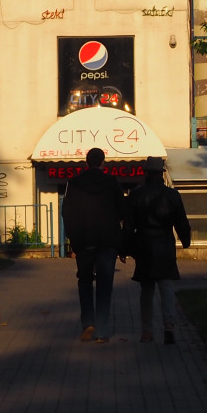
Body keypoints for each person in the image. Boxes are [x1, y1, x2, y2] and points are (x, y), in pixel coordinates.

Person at [122, 156, 191, 344]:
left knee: (146, 290)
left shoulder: (136, 194)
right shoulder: (172, 195)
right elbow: (182, 222)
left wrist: (124, 248)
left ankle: (147, 331)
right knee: (167, 286)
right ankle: (169, 325)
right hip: (165, 243)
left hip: (144, 243)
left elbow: (128, 225)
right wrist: (186, 241)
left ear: (146, 172)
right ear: (161, 173)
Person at [61, 147, 125, 343]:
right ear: (102, 162)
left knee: (85, 281)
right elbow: (122, 211)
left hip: (84, 241)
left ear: (86, 162)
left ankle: (88, 324)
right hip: (107, 241)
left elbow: (67, 213)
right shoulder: (111, 182)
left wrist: (73, 240)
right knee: (105, 284)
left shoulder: (74, 183)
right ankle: (102, 331)